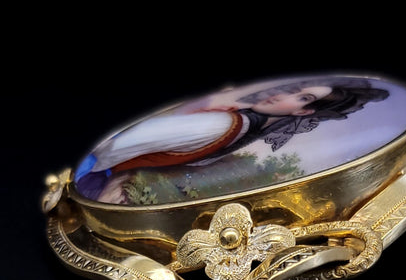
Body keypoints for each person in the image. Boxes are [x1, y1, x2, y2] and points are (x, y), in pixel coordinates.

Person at [75, 77, 389, 200]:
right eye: (293, 89)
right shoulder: (224, 123)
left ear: (303, 112)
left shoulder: (229, 126)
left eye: (301, 97)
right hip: (96, 179)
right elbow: (112, 149)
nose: (280, 95)